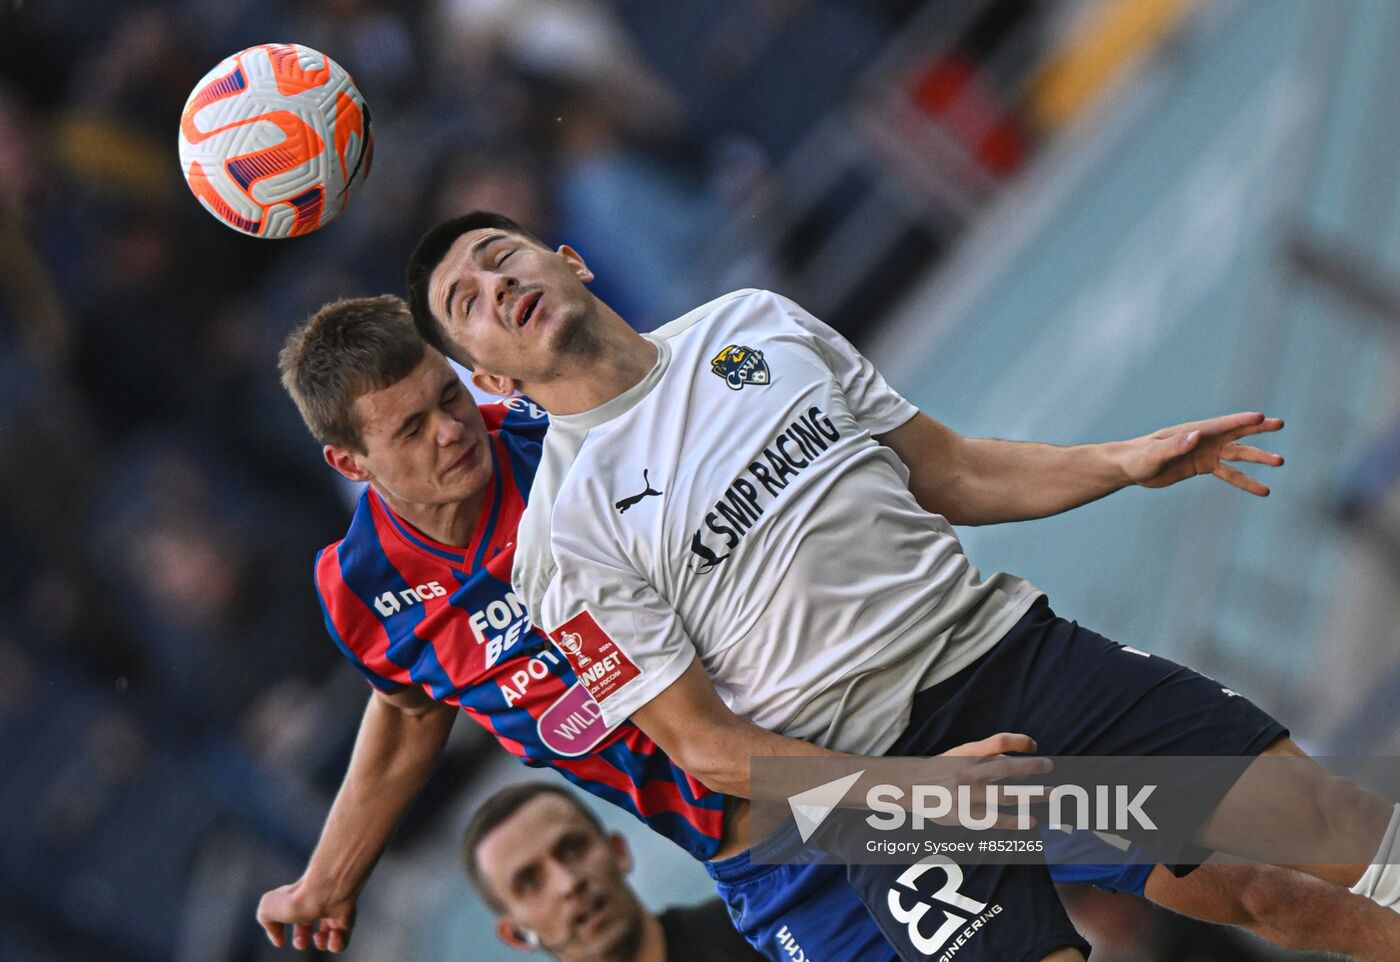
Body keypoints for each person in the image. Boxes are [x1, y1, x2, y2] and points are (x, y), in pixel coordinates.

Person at [405, 209, 1400, 962]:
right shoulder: (563, 539)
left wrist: (1121, 461)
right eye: (467, 304)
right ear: (492, 381)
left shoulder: (753, 324)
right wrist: (919, 791)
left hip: (1011, 654)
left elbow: (947, 470)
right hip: (886, 789)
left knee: (1303, 854)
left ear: (568, 260)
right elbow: (706, 748)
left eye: (500, 257)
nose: (496, 285)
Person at [255, 293, 1034, 959]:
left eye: (448, 398)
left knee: (1114, 844)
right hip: (781, 856)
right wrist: (330, 877)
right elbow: (408, 708)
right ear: (350, 463)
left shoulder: (567, 440)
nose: (452, 431)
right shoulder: (362, 589)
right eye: (410, 429)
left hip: (895, 735)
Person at [463, 781, 767, 962]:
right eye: (529, 882)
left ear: (618, 850)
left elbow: (794, 782)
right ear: (516, 935)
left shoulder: (760, 927)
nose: (568, 883)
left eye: (573, 848)